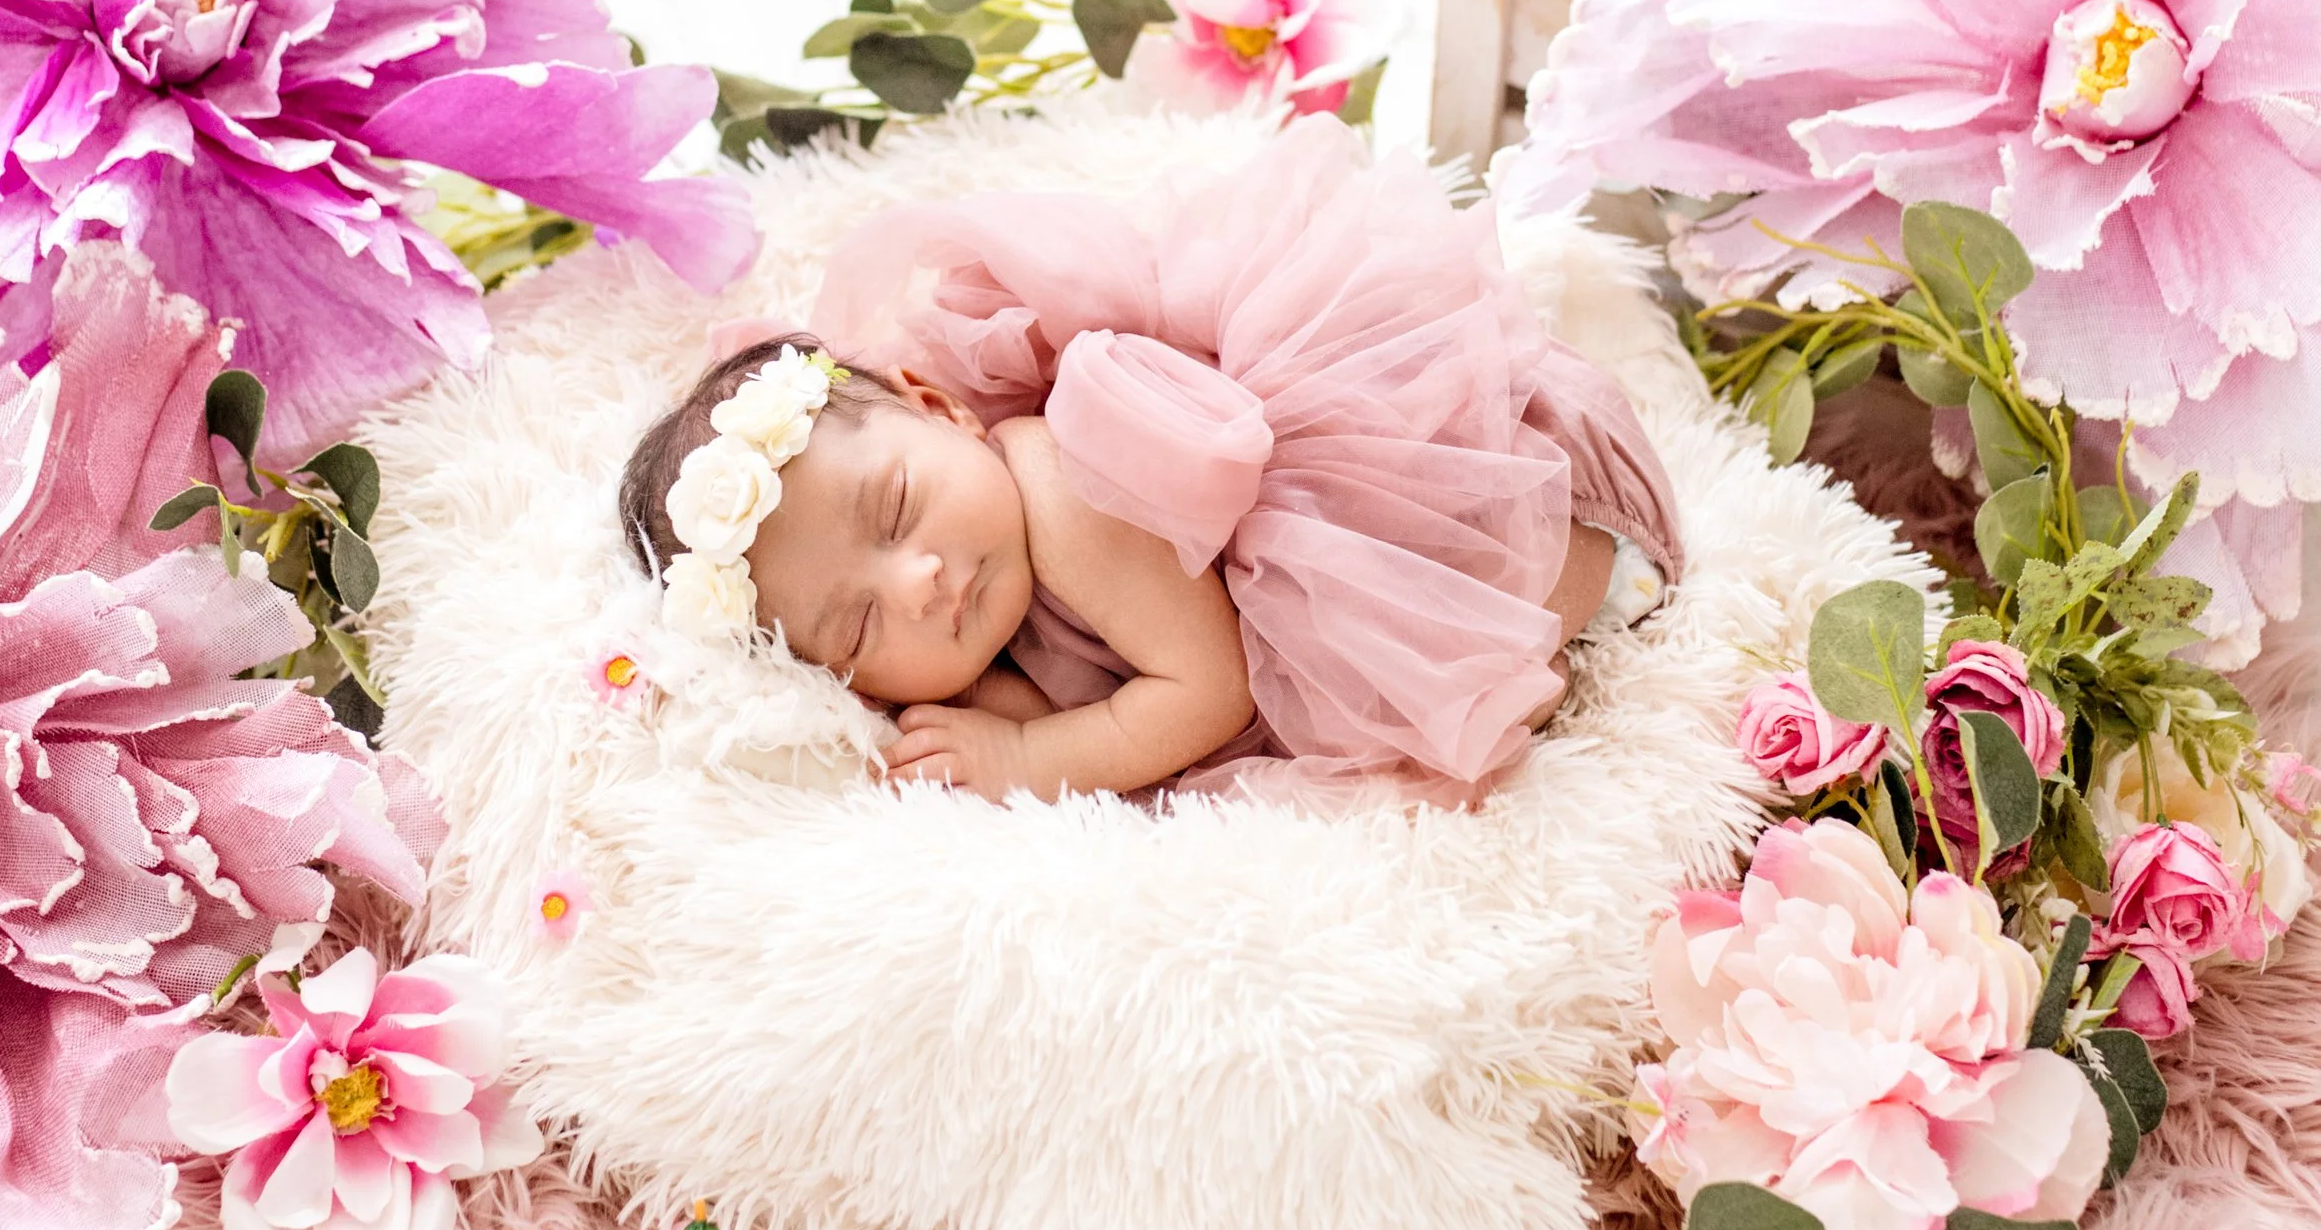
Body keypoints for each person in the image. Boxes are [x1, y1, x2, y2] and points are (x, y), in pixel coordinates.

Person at [619, 116, 1680, 805]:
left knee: (1493, 610)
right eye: (855, 628)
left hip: (1517, 501)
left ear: (940, 408)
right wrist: (1008, 721)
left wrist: (1028, 761)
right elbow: (1086, 689)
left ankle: (1609, 581)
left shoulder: (1054, 483)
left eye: (896, 510)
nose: (918, 581)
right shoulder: (981, 601)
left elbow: (1204, 693)